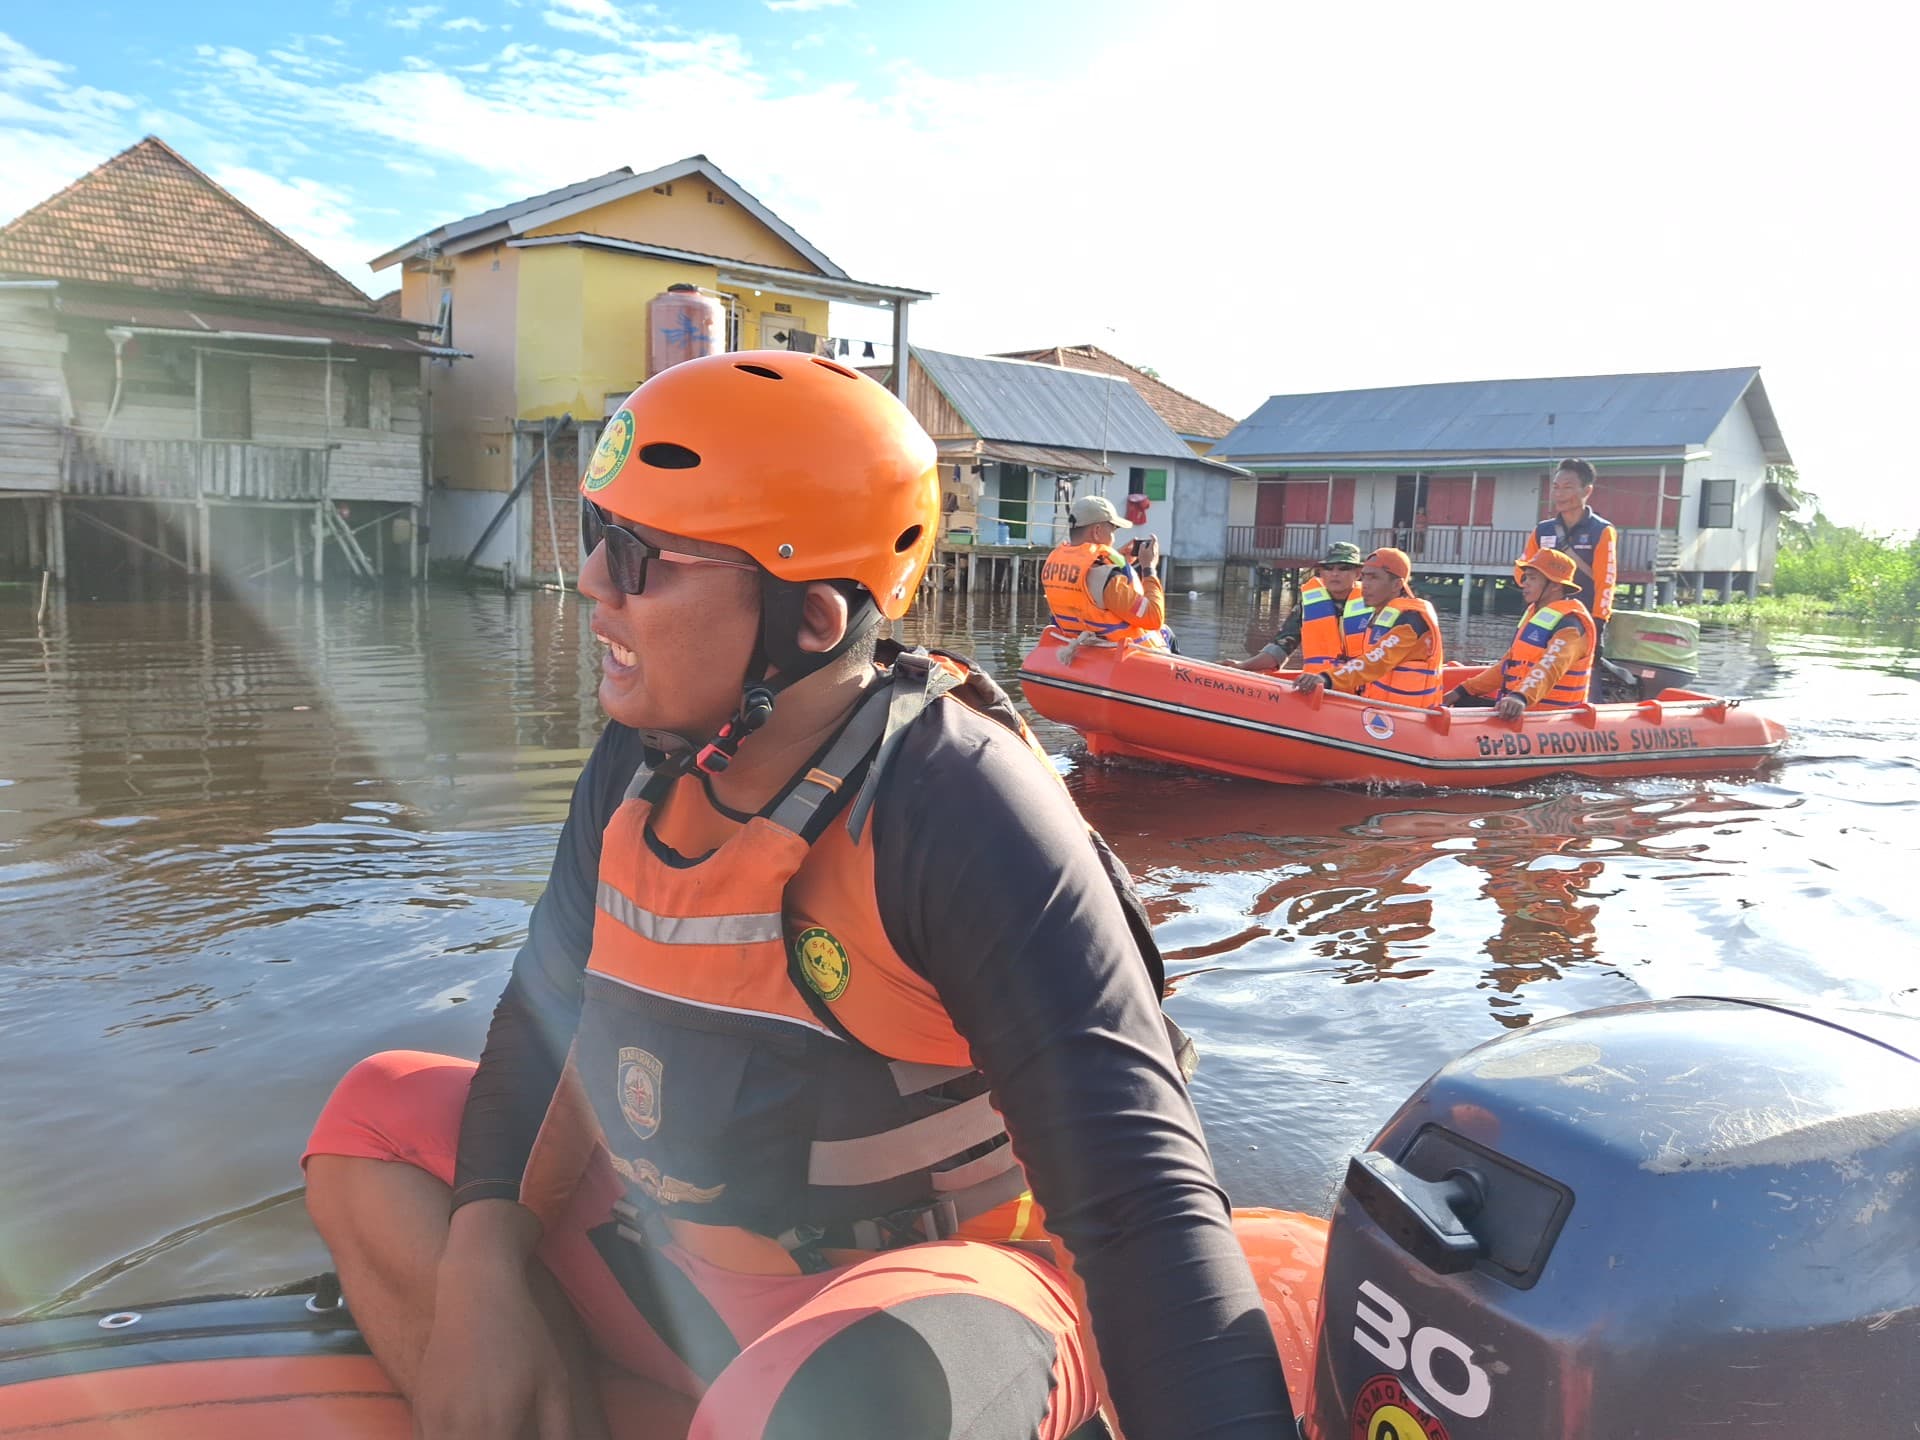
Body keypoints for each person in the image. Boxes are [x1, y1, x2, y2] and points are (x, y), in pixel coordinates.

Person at [302, 353, 1292, 1440]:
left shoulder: (956, 805)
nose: (590, 581)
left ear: (811, 620)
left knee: (849, 1403)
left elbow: (1143, 1209)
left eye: (637, 557)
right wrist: (481, 1270)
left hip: (921, 1296)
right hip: (692, 1266)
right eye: (597, 536)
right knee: (374, 1122)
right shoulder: (638, 761)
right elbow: (546, 1017)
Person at [1445, 548, 1596, 718]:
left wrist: (1520, 697)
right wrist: (1462, 690)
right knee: (1463, 702)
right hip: (1523, 710)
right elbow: (1507, 666)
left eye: (1532, 578)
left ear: (1555, 585)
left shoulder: (1571, 625)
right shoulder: (1535, 613)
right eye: (1525, 577)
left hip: (1550, 719)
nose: (1525, 583)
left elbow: (1551, 666)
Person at [1293, 548, 1446, 708]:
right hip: (1379, 712)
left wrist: (1327, 679)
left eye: (1374, 578)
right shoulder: (1381, 615)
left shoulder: (1411, 621)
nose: (1365, 585)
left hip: (1411, 718)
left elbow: (1377, 661)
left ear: (1396, 585)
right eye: (1364, 577)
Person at [1040, 493, 1170, 650]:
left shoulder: (1054, 564)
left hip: (1082, 643)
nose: (1114, 538)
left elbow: (1089, 582)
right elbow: (1154, 618)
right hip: (1123, 654)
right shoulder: (1109, 581)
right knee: (1166, 633)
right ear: (1097, 531)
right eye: (1113, 531)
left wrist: (1119, 560)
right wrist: (1149, 568)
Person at [1522, 457, 1617, 671]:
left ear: (1587, 491)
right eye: (1555, 487)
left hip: (1580, 620)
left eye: (1567, 487)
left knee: (1575, 672)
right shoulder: (1542, 530)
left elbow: (1606, 581)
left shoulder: (1601, 531)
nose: (1559, 494)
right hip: (1544, 615)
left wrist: (1598, 623)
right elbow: (1523, 569)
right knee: (1530, 665)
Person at [1234, 540, 1369, 672]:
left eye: (1343, 568)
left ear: (1357, 573)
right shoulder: (1308, 606)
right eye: (1328, 568)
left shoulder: (1374, 604)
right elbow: (1281, 647)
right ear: (1321, 573)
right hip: (1317, 685)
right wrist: (1243, 665)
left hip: (1360, 687)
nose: (1335, 573)